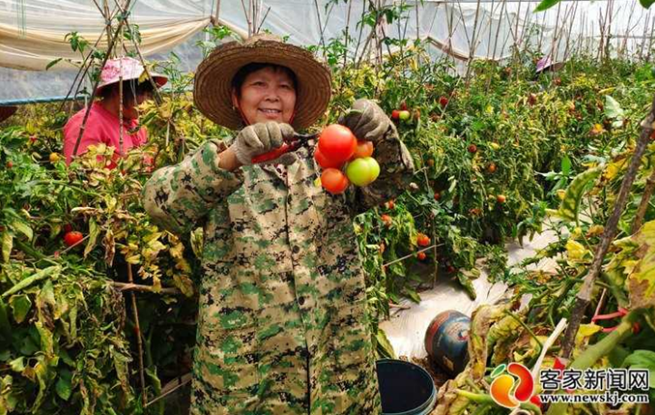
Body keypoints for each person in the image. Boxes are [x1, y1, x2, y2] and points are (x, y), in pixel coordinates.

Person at [142, 34, 415, 414]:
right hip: (248, 370)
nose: (273, 95)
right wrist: (234, 157)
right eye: (259, 84)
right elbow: (161, 206)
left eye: (284, 86)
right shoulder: (219, 163)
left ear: (295, 102)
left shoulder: (325, 161)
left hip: (332, 359)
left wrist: (381, 136)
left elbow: (392, 181)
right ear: (237, 99)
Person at [63, 57, 167, 165]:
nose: (146, 101)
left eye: (148, 95)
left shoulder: (135, 123)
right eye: (141, 93)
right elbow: (82, 173)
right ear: (118, 90)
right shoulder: (86, 124)